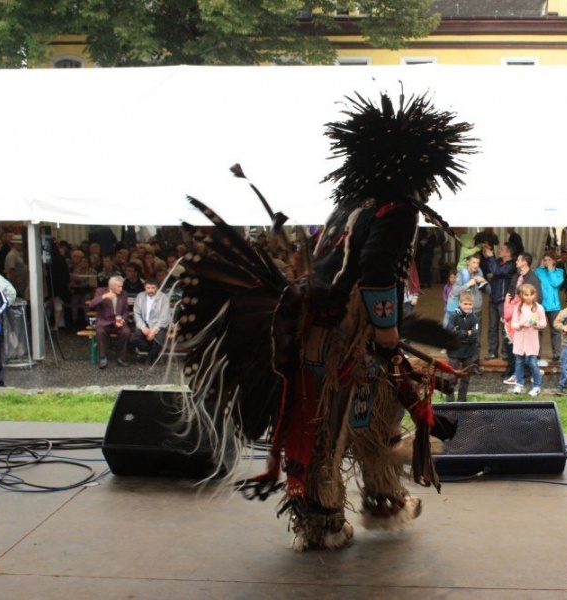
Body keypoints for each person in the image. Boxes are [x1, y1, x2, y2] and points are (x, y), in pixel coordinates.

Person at [176, 93, 475, 552]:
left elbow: (329, 264)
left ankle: (365, 506)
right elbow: (376, 274)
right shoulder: (398, 211)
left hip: (318, 332)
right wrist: (388, 334)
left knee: (347, 421)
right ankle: (336, 516)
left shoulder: (351, 205)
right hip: (345, 340)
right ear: (419, 171)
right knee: (341, 424)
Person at [502, 253, 543, 384]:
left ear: (525, 262)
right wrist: (507, 311)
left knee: (525, 347)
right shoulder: (517, 276)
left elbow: (539, 298)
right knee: (514, 345)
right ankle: (518, 371)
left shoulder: (533, 279)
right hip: (514, 314)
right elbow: (510, 293)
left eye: (518, 260)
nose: (516, 262)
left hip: (525, 317)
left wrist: (529, 315)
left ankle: (529, 371)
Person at [509, 283, 546, 396]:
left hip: (532, 340)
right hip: (520, 339)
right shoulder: (518, 308)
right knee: (519, 362)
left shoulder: (539, 308)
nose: (529, 297)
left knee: (533, 363)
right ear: (521, 295)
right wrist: (520, 325)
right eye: (526, 295)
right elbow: (513, 324)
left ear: (534, 295)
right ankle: (519, 384)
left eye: (531, 294)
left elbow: (543, 323)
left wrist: (535, 323)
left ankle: (537, 385)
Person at [87, 275, 131, 369]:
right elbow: (91, 304)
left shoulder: (124, 293)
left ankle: (121, 358)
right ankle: (103, 358)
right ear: (111, 286)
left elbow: (126, 310)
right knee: (100, 332)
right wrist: (104, 296)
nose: (121, 288)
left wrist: (123, 319)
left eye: (122, 286)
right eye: (118, 286)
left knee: (126, 332)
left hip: (118, 321)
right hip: (104, 321)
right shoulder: (101, 291)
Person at [483, 242, 516, 361]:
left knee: (504, 328)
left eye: (502, 249)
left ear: (508, 253)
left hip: (503, 301)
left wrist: (491, 257)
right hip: (493, 298)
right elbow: (489, 268)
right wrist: (487, 255)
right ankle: (492, 351)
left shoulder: (511, 265)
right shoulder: (498, 262)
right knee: (492, 327)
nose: (499, 251)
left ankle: (506, 353)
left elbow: (497, 272)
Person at [444, 291, 479, 402]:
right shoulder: (453, 315)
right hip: (454, 350)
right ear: (460, 303)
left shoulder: (474, 317)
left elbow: (475, 335)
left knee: (466, 377)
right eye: (465, 304)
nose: (468, 307)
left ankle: (462, 401)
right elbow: (450, 331)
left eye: (470, 304)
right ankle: (450, 402)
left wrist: (459, 333)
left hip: (468, 351)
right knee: (452, 377)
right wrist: (466, 333)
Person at [129, 280, 172, 365]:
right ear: (145, 287)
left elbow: (164, 317)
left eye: (153, 288)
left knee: (159, 340)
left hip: (159, 325)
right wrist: (142, 327)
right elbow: (137, 313)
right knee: (133, 339)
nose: (150, 290)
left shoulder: (163, 298)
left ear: (157, 287)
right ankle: (152, 351)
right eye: (148, 288)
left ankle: (151, 357)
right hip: (145, 323)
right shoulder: (140, 296)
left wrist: (154, 330)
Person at [535, 252, 564, 361]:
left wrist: (551, 270)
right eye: (545, 260)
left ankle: (557, 354)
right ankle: (536, 353)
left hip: (554, 306)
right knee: (538, 329)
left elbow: (556, 283)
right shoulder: (538, 272)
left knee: (555, 330)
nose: (547, 262)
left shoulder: (559, 272)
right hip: (540, 304)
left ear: (554, 261)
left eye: (549, 260)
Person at [4, 234, 28, 299]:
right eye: (19, 244)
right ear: (14, 244)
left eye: (21, 244)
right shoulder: (11, 255)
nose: (21, 246)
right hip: (17, 285)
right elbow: (11, 271)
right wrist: (16, 285)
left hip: (23, 284)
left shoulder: (21, 254)